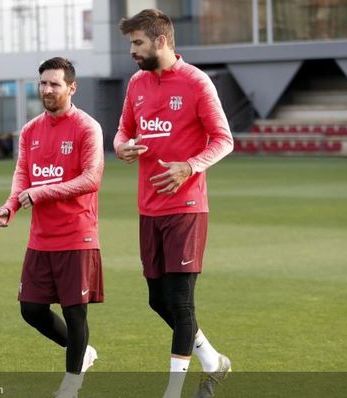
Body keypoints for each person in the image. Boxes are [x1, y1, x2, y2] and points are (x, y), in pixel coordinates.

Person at [115, 9, 234, 398]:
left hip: (187, 207)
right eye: (131, 43)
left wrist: (189, 166)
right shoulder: (136, 83)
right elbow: (122, 132)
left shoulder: (197, 83)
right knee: (157, 300)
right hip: (148, 208)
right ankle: (213, 360)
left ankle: (174, 390)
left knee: (181, 302)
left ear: (161, 41)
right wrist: (123, 147)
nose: (132, 50)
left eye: (138, 43)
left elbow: (223, 139)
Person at [0, 57, 104, 398]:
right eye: (43, 83)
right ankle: (83, 352)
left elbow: (91, 178)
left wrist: (41, 192)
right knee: (31, 309)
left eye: (54, 83)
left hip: (77, 234)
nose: (47, 90)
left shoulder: (86, 127)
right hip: (41, 237)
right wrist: (10, 207)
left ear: (71, 87)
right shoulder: (30, 130)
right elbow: (23, 175)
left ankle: (71, 385)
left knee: (74, 311)